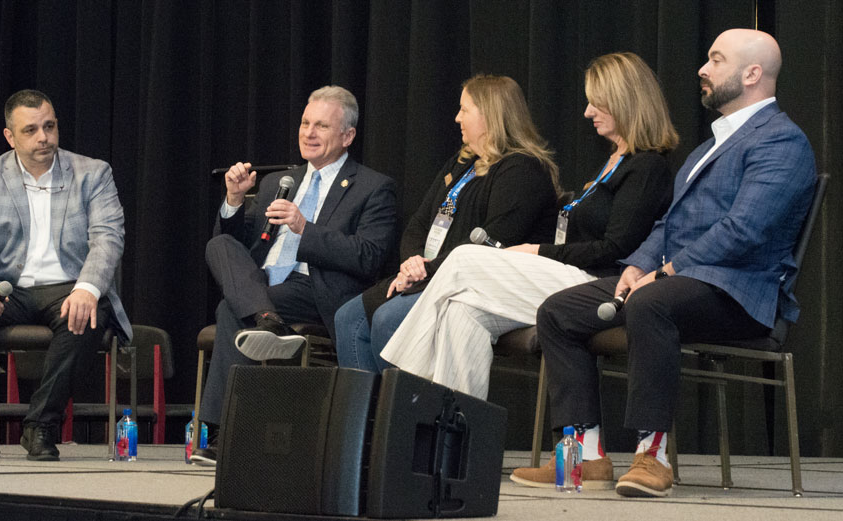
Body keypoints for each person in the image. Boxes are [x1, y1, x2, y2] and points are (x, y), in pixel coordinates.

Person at [512, 29, 817, 498]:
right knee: (557, 312)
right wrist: (638, 265)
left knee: (651, 302)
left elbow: (743, 231)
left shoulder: (782, 142)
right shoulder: (704, 149)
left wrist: (665, 272)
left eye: (716, 60)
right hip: (679, 283)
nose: (702, 69)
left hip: (740, 292)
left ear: (752, 74)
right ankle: (583, 458)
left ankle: (652, 458)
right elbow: (666, 228)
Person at [381, 52, 678, 408]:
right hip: (563, 275)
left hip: (598, 285)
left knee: (463, 258)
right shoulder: (613, 160)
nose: (586, 111)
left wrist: (537, 251)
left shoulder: (646, 167)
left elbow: (614, 247)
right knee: (463, 313)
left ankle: (402, 387)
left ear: (624, 101)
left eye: (596, 102)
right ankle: (461, 444)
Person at [0, 89, 131, 462]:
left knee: (88, 310)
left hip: (67, 286)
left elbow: (108, 239)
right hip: (9, 288)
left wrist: (87, 288)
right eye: (31, 130)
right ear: (10, 136)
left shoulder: (92, 173)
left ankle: (41, 426)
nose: (44, 137)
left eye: (49, 127)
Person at [190, 86, 397, 465]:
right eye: (305, 123)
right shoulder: (277, 183)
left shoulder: (372, 187)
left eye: (321, 125)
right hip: (264, 285)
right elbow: (244, 249)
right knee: (218, 246)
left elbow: (369, 257)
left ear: (347, 136)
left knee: (229, 311)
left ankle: (223, 434)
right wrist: (234, 201)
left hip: (316, 290)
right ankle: (267, 320)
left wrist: (306, 229)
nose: (309, 133)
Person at [334, 74, 560, 374]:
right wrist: (412, 262)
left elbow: (489, 245)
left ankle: (405, 416)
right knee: (348, 318)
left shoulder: (523, 170)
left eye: (464, 110)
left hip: (468, 284)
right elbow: (419, 222)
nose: (457, 118)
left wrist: (425, 270)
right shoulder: (462, 162)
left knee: (391, 321)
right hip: (429, 274)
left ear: (490, 114)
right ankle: (370, 418)